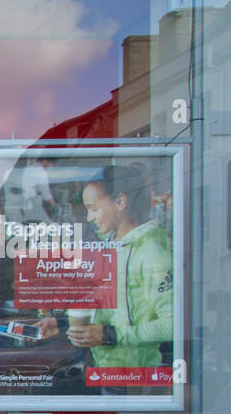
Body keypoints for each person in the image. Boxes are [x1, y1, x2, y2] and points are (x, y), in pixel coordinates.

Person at [38, 164, 175, 395]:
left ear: (120, 203)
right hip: (106, 375)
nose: (90, 218)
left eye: (93, 208)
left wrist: (110, 335)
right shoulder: (113, 248)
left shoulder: (152, 254)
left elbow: (173, 325)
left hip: (136, 383)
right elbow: (114, 314)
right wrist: (63, 326)